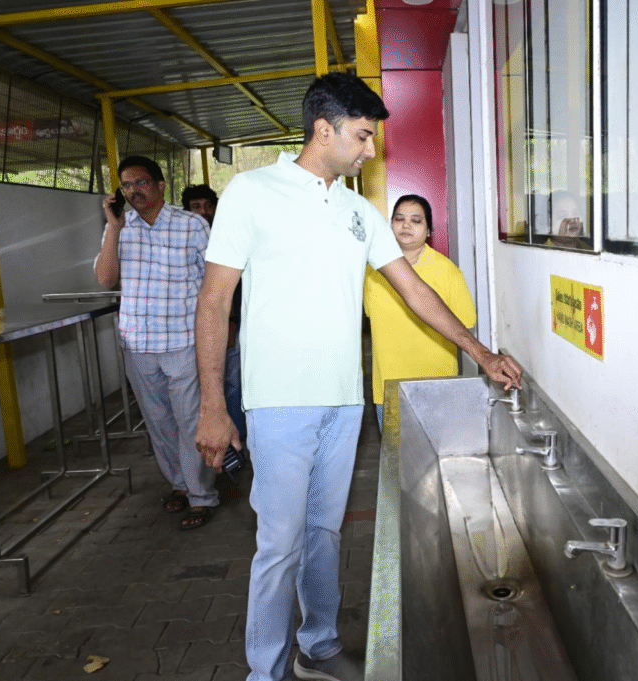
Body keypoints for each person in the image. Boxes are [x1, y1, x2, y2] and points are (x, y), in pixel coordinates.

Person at [194, 73, 522, 681]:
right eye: (364, 136)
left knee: (323, 534)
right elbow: (214, 302)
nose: (371, 150)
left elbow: (415, 290)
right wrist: (213, 403)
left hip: (344, 402)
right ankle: (265, 671)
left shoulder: (358, 212)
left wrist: (480, 352)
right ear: (325, 130)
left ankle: (317, 647)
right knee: (280, 545)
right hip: (279, 402)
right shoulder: (251, 192)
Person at [94, 156, 219, 530]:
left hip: (182, 340)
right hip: (137, 343)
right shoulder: (120, 227)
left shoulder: (191, 225)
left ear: (161, 185)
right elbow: (106, 280)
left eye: (141, 182)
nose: (133, 190)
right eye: (127, 185)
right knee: (159, 422)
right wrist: (113, 228)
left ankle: (201, 495)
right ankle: (179, 484)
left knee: (189, 420)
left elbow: (213, 284)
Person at [364, 194, 477, 427]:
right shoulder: (372, 271)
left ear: (428, 231)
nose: (406, 225)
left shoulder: (447, 272)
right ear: (390, 226)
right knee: (395, 451)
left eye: (416, 220)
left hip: (437, 387)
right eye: (399, 219)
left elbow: (465, 323)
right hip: (388, 387)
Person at [182, 184, 246, 442]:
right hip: (186, 330)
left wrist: (230, 323)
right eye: (196, 207)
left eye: (209, 206)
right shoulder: (181, 239)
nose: (204, 212)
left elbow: (233, 290)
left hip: (226, 325)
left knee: (231, 385)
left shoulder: (228, 236)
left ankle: (234, 445)